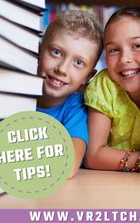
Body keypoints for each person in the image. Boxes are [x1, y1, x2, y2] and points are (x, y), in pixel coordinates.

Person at [84, 6, 140, 172]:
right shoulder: (105, 86)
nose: (124, 59)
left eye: (137, 46)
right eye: (114, 50)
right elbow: (93, 156)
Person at [37, 10, 103, 178]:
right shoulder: (13, 93)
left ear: (87, 77)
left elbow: (68, 165)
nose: (62, 69)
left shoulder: (75, 106)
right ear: (38, 51)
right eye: (56, 52)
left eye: (78, 63)